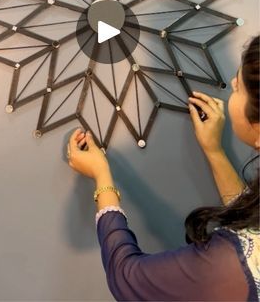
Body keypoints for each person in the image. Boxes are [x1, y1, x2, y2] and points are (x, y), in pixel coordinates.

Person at [67, 35, 260, 301]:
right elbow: (251, 221)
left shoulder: (231, 263)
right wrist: (214, 151)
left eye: (240, 90)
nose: (234, 82)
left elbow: (127, 278)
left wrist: (102, 177)